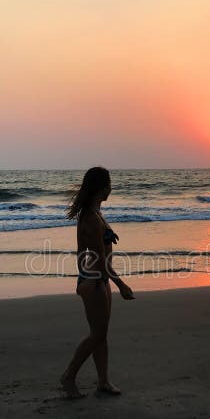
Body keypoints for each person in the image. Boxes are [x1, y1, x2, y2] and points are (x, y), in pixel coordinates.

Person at [59, 167, 135, 399]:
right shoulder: (91, 219)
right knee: (97, 334)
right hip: (92, 280)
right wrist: (121, 284)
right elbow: (100, 260)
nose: (111, 188)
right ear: (102, 187)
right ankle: (68, 376)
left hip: (100, 280)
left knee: (101, 333)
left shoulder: (96, 214)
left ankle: (103, 381)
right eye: (109, 183)